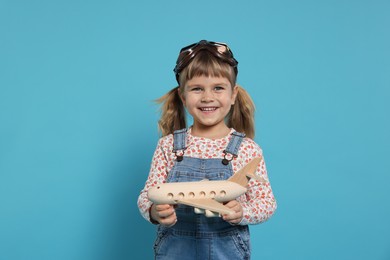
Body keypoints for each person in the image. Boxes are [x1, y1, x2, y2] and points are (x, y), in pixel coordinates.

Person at [137, 40, 277, 259]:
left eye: (218, 88)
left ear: (233, 95)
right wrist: (155, 212)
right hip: (176, 251)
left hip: (226, 251)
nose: (207, 97)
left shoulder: (247, 149)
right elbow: (147, 195)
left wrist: (243, 212)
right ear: (183, 96)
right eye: (197, 89)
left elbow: (267, 203)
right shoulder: (168, 145)